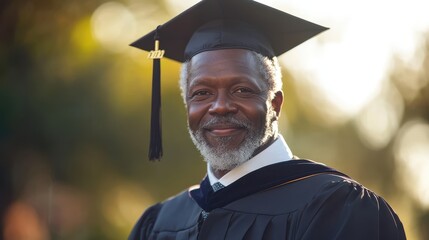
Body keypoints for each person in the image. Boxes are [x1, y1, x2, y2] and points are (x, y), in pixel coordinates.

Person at [128, 0, 406, 239]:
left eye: (241, 90)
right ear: (188, 105)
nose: (220, 107)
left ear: (275, 104)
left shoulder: (339, 209)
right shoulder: (160, 223)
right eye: (202, 93)